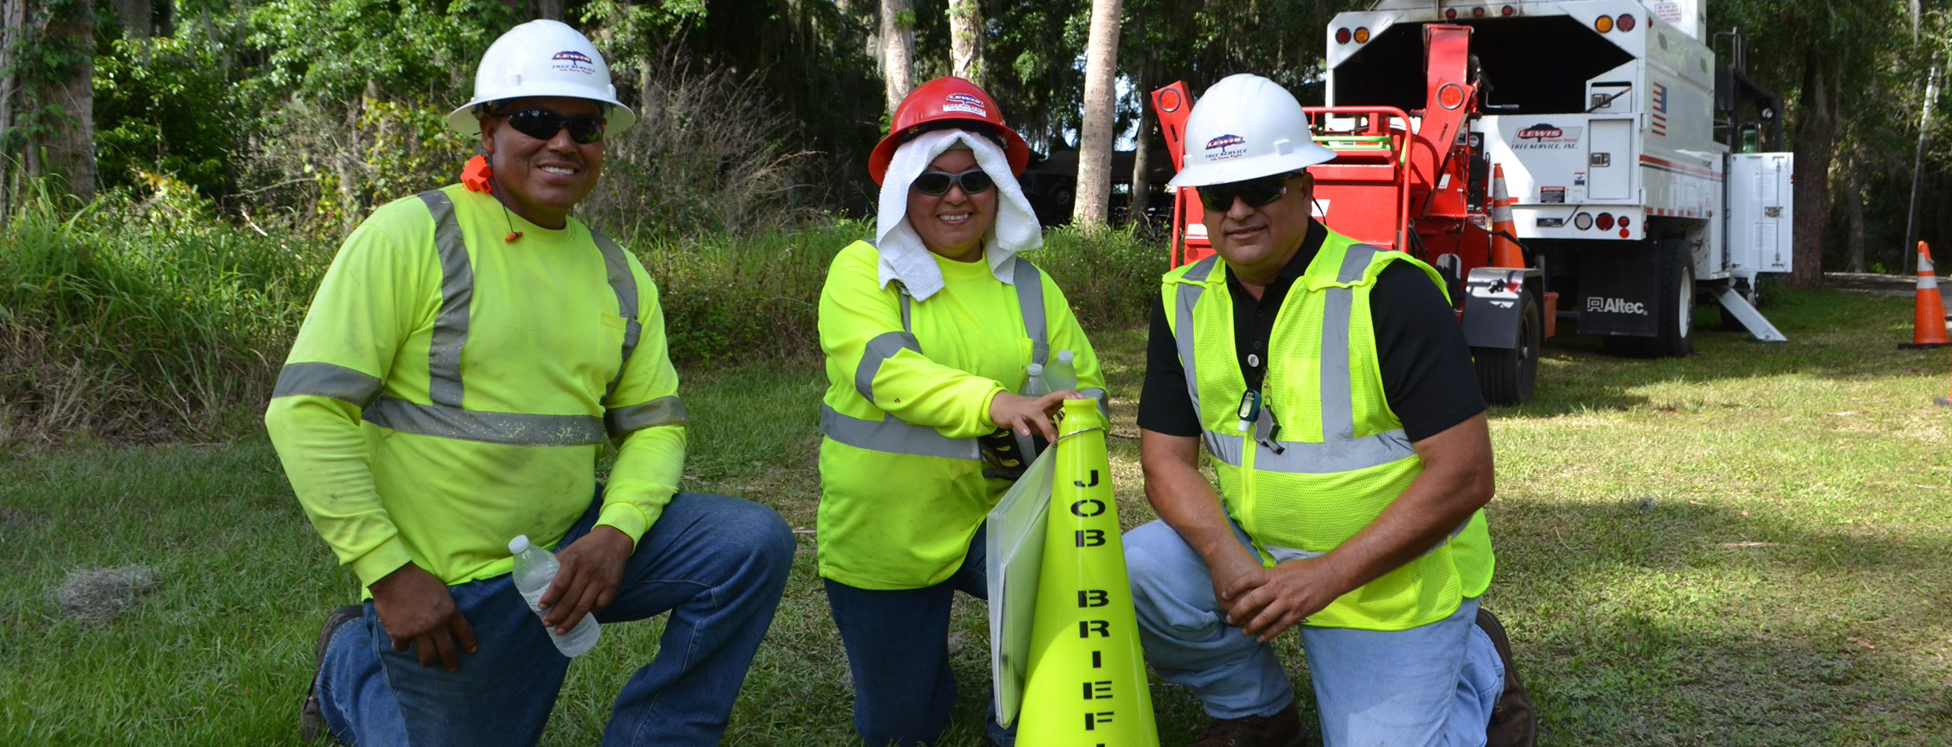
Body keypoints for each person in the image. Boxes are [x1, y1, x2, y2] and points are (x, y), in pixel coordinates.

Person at [267, 20, 794, 746]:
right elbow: (306, 409)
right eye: (537, 119)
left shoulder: (620, 273)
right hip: (447, 589)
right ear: (488, 127)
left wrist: (617, 529)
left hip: (569, 556)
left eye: (585, 125)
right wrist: (388, 574)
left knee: (750, 541)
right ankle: (349, 660)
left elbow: (655, 426)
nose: (563, 142)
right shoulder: (412, 235)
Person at [1122, 74, 1533, 747]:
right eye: (1219, 193)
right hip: (1255, 551)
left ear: (1307, 185)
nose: (1238, 210)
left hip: (1384, 579)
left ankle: (1478, 671)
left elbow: (1465, 474)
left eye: (1261, 188)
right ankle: (1253, 711)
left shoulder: (1391, 293)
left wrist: (1327, 575)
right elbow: (1164, 461)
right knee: (1139, 567)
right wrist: (1225, 557)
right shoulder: (1183, 300)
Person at [814, 76, 1108, 747]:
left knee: (1062, 641)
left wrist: (1070, 416)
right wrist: (997, 404)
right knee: (900, 728)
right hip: (886, 533)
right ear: (902, 189)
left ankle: (1017, 719)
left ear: (999, 188)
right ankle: (924, 679)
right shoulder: (862, 271)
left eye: (975, 180)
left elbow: (1086, 384)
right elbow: (889, 374)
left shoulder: (1030, 285)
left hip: (1001, 522)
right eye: (933, 181)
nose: (956, 195)